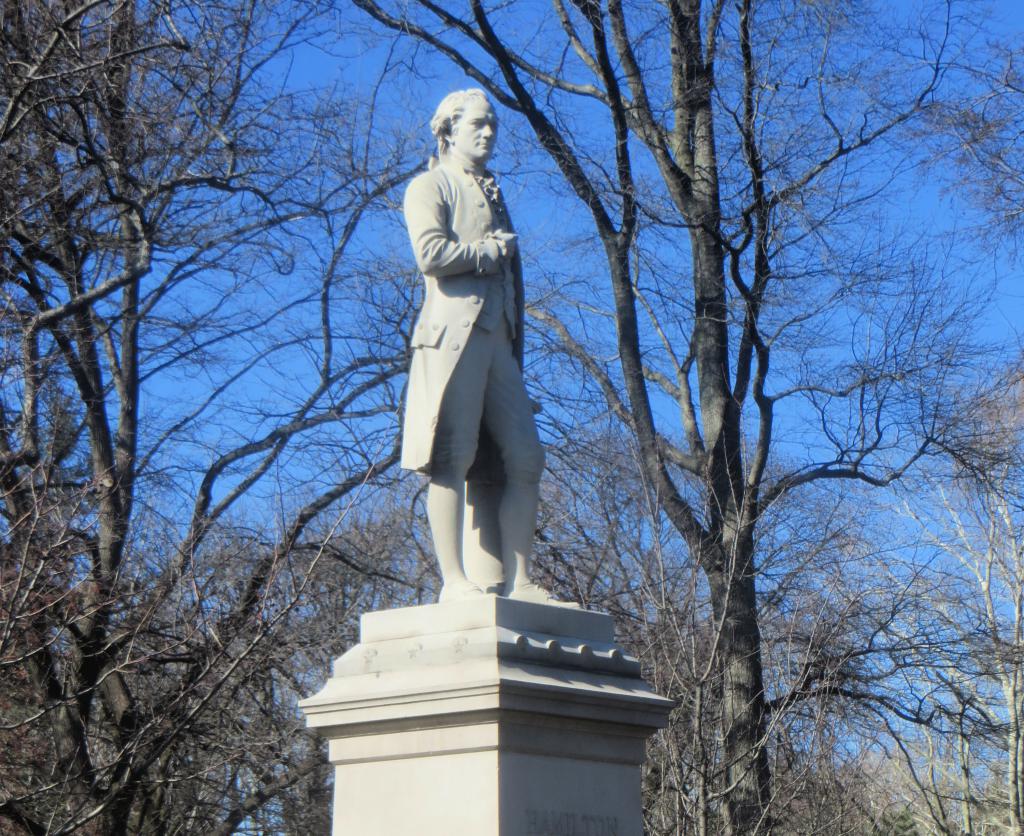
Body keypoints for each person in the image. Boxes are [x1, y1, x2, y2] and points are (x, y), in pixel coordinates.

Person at [401, 88, 555, 604]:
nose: (488, 133)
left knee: (526, 458)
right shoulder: (430, 185)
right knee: (451, 457)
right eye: (478, 124)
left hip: (498, 343)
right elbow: (430, 253)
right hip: (453, 341)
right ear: (449, 130)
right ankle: (455, 581)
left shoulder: (494, 191)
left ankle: (519, 581)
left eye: (493, 125)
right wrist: (487, 252)